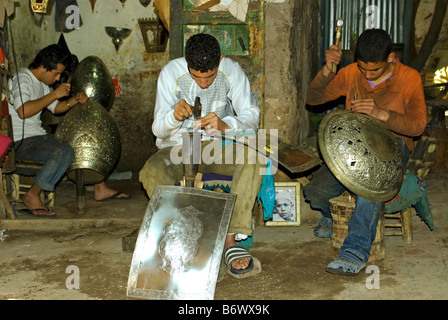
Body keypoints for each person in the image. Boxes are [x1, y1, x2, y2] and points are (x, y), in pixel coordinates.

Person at [139, 33, 263, 276]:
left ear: (221, 61)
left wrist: (226, 124)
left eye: (210, 76)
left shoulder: (231, 71)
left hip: (218, 146)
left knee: (253, 158)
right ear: (186, 62)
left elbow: (252, 117)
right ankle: (181, 236)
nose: (204, 83)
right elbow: (157, 129)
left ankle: (230, 240)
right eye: (197, 77)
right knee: (151, 171)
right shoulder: (170, 73)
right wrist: (173, 117)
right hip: (177, 147)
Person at [304, 29, 427, 275]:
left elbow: (418, 125)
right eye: (363, 68)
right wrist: (328, 70)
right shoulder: (351, 73)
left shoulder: (408, 77)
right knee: (315, 193)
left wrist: (383, 114)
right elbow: (313, 99)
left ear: (391, 57)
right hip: (353, 144)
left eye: (375, 70)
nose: (368, 75)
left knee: (369, 184)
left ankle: (356, 250)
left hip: (392, 147)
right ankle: (332, 216)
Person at [8, 44, 131, 217]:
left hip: (37, 137)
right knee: (63, 152)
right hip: (21, 142)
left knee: (80, 141)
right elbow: (23, 111)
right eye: (56, 73)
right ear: (43, 67)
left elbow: (56, 108)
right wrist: (54, 94)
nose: (58, 78)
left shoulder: (42, 82)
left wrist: (73, 100)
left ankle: (100, 188)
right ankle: (32, 195)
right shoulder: (23, 79)